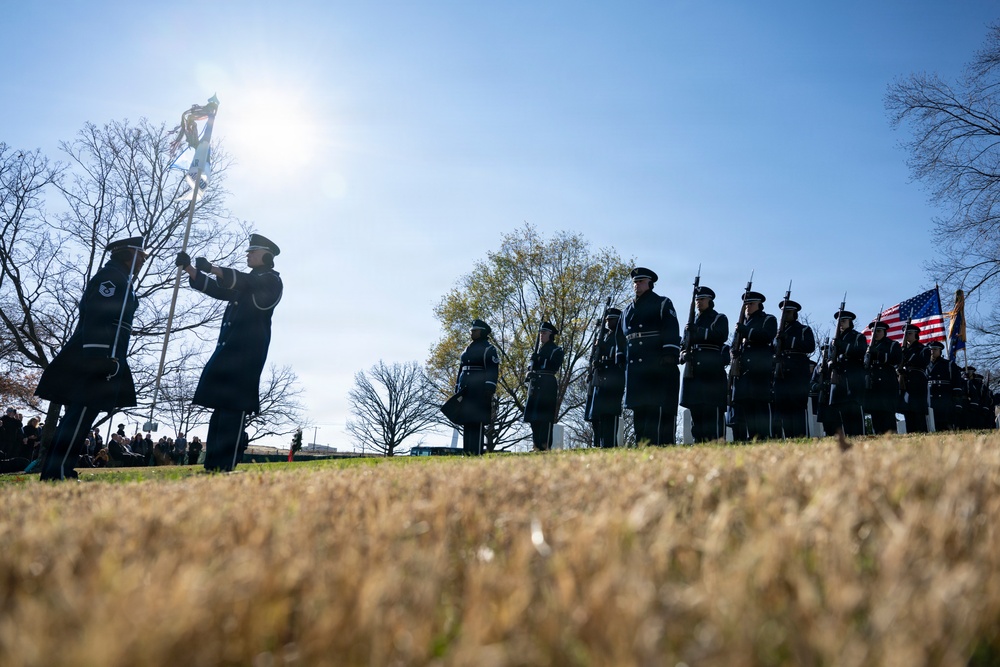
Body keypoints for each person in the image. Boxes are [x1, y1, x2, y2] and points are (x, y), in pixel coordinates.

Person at [34, 236, 146, 480]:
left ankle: (60, 470)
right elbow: (97, 315)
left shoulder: (121, 278)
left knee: (81, 418)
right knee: (79, 417)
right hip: (97, 357)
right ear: (128, 254)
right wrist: (102, 357)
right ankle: (57, 473)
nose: (143, 261)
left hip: (108, 355)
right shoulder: (111, 277)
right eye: (141, 256)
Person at [177, 233, 283, 472]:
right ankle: (212, 464)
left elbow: (246, 282)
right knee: (220, 406)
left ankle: (225, 465)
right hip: (228, 351)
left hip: (246, 355)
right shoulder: (247, 282)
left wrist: (214, 268)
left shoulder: (271, 281)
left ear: (267, 256)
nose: (248, 254)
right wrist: (190, 269)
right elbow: (219, 289)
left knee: (234, 409)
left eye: (253, 251)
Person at [616, 267, 681, 445]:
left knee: (653, 404)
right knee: (638, 406)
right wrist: (620, 355)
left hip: (654, 360)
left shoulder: (661, 303)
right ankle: (641, 443)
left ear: (650, 284)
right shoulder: (627, 310)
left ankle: (654, 442)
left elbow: (671, 327)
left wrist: (669, 351)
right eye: (635, 282)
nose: (636, 285)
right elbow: (620, 336)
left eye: (640, 281)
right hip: (634, 365)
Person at [443, 319, 500, 455]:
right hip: (466, 389)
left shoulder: (489, 349)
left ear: (482, 332)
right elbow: (461, 369)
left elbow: (492, 369)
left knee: (477, 420)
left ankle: (476, 451)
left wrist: (489, 387)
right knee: (467, 420)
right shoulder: (467, 348)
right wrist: (458, 386)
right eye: (471, 330)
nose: (472, 333)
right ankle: (467, 451)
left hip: (479, 390)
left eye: (475, 330)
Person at [679, 286, 729, 443]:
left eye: (702, 299)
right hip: (693, 370)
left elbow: (720, 336)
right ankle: (698, 443)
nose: (698, 302)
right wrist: (683, 354)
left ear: (710, 301)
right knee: (696, 410)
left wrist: (699, 331)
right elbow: (683, 345)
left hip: (711, 370)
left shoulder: (718, 318)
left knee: (712, 409)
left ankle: (715, 442)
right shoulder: (691, 322)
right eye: (697, 300)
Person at [729, 291, 777, 442]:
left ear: (759, 305)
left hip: (759, 367)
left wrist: (746, 331)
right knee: (747, 404)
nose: (747, 307)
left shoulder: (768, 319)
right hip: (744, 369)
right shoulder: (742, 323)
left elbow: (767, 335)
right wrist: (733, 352)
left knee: (760, 404)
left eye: (751, 304)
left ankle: (763, 436)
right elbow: (734, 344)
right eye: (746, 305)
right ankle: (752, 436)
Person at [771, 299, 816, 438]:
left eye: (788, 312)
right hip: (781, 372)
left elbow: (810, 346)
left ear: (795, 314)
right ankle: (790, 438)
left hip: (797, 371)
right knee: (783, 407)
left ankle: (801, 436)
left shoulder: (804, 330)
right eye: (783, 313)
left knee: (797, 406)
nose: (785, 315)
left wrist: (789, 339)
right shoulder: (777, 333)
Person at [585, 308, 626, 448]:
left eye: (611, 320)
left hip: (614, 376)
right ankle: (602, 443)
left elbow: (620, 353)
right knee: (601, 413)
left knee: (611, 412)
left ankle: (610, 443)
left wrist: (605, 349)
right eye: (607, 320)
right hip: (601, 376)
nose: (608, 323)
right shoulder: (605, 336)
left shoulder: (620, 335)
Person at [522, 321, 564, 451]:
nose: (541, 335)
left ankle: (545, 445)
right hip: (536, 382)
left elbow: (554, 365)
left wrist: (539, 359)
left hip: (547, 383)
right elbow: (532, 366)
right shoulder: (538, 350)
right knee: (534, 416)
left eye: (544, 333)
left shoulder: (556, 350)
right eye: (540, 333)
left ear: (551, 335)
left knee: (545, 416)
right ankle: (536, 444)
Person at [826, 309, 868, 437]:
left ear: (850, 322)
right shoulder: (834, 340)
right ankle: (847, 437)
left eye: (843, 321)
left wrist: (843, 345)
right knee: (841, 410)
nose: (841, 323)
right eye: (839, 321)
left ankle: (859, 436)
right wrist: (830, 363)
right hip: (839, 377)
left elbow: (861, 352)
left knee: (854, 410)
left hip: (853, 375)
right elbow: (829, 357)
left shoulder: (858, 337)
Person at [863, 320, 902, 435]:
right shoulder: (868, 347)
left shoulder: (892, 344)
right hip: (873, 383)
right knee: (876, 415)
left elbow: (896, 359)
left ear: (884, 332)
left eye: (878, 331)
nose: (875, 334)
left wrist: (878, 354)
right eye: (873, 331)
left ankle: (891, 437)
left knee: (888, 414)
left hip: (887, 382)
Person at [899, 323, 929, 433]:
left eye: (909, 333)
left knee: (918, 409)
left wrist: (908, 356)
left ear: (916, 335)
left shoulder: (923, 349)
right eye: (905, 334)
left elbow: (924, 362)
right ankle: (910, 433)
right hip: (904, 380)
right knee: (907, 409)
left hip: (917, 380)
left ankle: (922, 431)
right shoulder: (901, 350)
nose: (906, 336)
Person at [926, 341, 962, 431]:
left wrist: (957, 402)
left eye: (935, 349)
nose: (932, 352)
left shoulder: (949, 364)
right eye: (930, 350)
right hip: (929, 398)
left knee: (944, 423)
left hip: (944, 398)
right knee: (931, 423)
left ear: (940, 351)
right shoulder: (925, 365)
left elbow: (956, 383)